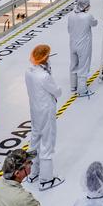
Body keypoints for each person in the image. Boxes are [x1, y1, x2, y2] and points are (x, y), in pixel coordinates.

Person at [24, 44, 63, 189]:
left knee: (35, 140)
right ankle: (46, 180)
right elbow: (57, 91)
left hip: (35, 110)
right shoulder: (44, 76)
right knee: (47, 143)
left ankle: (33, 173)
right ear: (45, 58)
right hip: (46, 111)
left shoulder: (29, 72)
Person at [67, 0, 99, 95]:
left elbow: (69, 29)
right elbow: (94, 24)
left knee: (73, 65)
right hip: (83, 45)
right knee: (83, 67)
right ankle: (82, 90)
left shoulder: (71, 15)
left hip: (72, 44)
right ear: (85, 6)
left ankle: (73, 86)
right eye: (88, 5)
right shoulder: (87, 16)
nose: (89, 7)